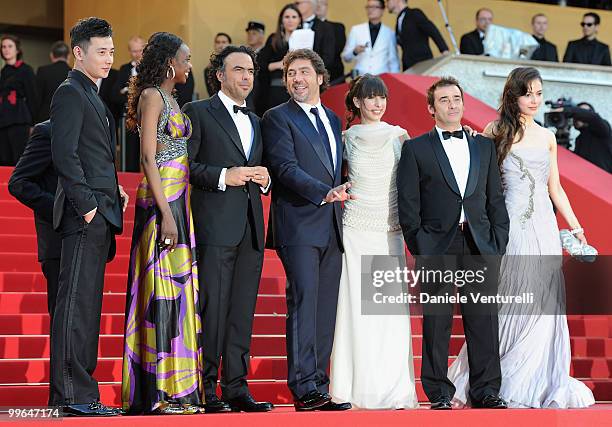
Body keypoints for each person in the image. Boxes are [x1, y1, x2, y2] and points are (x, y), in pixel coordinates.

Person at [448, 67, 596, 409]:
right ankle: (486, 378)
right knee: (506, 301)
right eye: (528, 93)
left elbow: (554, 187)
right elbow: (479, 182)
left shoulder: (547, 136)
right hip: (509, 226)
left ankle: (539, 382)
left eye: (539, 93)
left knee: (544, 304)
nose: (534, 100)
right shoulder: (495, 131)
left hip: (544, 227)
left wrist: (575, 227)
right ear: (513, 96)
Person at [397, 76, 509, 410]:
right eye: (444, 100)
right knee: (436, 319)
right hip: (436, 245)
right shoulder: (415, 148)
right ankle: (438, 392)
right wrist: (420, 244)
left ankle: (487, 390)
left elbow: (495, 198)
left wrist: (497, 241)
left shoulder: (483, 146)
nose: (452, 104)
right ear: (431, 108)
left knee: (483, 320)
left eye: (457, 98)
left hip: (479, 244)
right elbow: (408, 203)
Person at [183, 45, 274, 414]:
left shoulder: (255, 120)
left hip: (252, 227)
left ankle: (237, 387)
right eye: (239, 70)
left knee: (241, 313)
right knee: (213, 311)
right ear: (219, 74)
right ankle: (206, 389)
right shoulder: (198, 112)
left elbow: (257, 167)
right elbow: (185, 165)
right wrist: (225, 176)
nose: (247, 77)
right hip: (215, 227)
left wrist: (264, 178)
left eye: (251, 71)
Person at [262, 48, 352, 412]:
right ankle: (303, 387)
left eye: (302, 72)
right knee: (303, 304)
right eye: (290, 73)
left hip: (331, 226)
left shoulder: (332, 119)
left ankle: (320, 384)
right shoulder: (277, 117)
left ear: (319, 76)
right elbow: (284, 167)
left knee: (324, 310)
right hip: (298, 224)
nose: (296, 78)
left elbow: (335, 167)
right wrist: (324, 192)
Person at [49, 17, 128, 416]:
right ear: (78, 53)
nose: (109, 59)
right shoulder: (70, 92)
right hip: (84, 216)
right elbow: (65, 154)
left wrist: (113, 191)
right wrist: (89, 204)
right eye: (101, 51)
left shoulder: (93, 95)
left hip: (98, 212)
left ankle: (81, 394)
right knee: (76, 306)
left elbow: (93, 154)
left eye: (112, 52)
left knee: (87, 308)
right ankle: (72, 396)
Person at [121, 32, 203, 415]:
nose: (190, 64)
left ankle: (179, 387)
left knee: (179, 290)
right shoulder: (153, 96)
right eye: (185, 58)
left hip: (179, 201)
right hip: (161, 203)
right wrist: (167, 213)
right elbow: (148, 158)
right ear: (171, 62)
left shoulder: (173, 98)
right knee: (161, 290)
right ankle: (158, 391)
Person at [329, 75, 418, 409]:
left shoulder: (400, 136)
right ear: (357, 102)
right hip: (355, 230)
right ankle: (352, 390)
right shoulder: (345, 138)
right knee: (355, 311)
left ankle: (394, 390)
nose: (377, 104)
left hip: (388, 233)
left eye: (382, 98)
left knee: (389, 313)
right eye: (370, 98)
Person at [8, 120, 61, 333]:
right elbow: (19, 182)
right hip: (57, 240)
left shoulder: (92, 129)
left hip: (88, 241)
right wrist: (59, 209)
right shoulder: (47, 131)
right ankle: (61, 368)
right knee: (62, 323)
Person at [257, 4, 302, 115]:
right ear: (281, 20)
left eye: (294, 17)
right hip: (276, 89)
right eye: (287, 17)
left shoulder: (306, 38)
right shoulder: (274, 39)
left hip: (300, 89)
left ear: (300, 20)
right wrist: (279, 64)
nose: (290, 20)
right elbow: (260, 64)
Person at [0, 34, 39, 166]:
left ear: (17, 50)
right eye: (3, 47)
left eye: (10, 46)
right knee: (4, 159)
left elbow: (33, 98)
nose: (6, 49)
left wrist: (34, 124)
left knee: (19, 159)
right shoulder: (3, 72)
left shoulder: (26, 70)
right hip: (3, 121)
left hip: (19, 120)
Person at [112, 36, 145, 172]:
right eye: (133, 51)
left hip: (146, 118)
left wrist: (127, 92)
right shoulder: (124, 69)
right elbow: (114, 95)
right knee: (129, 156)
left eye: (140, 50)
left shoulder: (151, 69)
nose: (137, 54)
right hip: (128, 119)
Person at [342, 0, 400, 76]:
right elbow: (346, 57)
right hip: (361, 78)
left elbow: (393, 61)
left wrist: (394, 81)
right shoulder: (356, 30)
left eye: (374, 7)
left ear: (382, 10)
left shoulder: (390, 33)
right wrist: (354, 52)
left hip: (382, 79)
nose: (370, 10)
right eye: (368, 7)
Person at [388, 0, 449, 70]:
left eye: (388, 1)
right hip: (408, 66)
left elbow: (432, 30)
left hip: (423, 63)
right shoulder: (399, 20)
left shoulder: (414, 13)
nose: (387, 4)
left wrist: (444, 50)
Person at [295, 0, 336, 76]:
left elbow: (328, 56)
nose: (295, 6)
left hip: (316, 75)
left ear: (309, 4)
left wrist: (311, 70)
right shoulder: (292, 24)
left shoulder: (325, 27)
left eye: (297, 3)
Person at [36, 41, 71, 122]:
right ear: (68, 56)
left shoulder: (43, 71)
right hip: (68, 119)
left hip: (46, 118)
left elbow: (37, 98)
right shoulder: (74, 73)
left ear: (51, 55)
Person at [315, 0, 346, 84]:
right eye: (316, 3)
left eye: (322, 3)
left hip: (334, 76)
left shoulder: (338, 27)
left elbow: (337, 49)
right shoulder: (304, 27)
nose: (318, 6)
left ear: (327, 7)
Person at [245, 21, 266, 113]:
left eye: (254, 33)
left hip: (264, 96)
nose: (250, 36)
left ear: (262, 36)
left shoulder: (267, 52)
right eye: (249, 33)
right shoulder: (244, 54)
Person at [204, 32, 232, 98]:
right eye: (218, 42)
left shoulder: (237, 63)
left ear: (230, 44)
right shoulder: (209, 68)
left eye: (224, 42)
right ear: (214, 45)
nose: (220, 45)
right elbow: (211, 92)